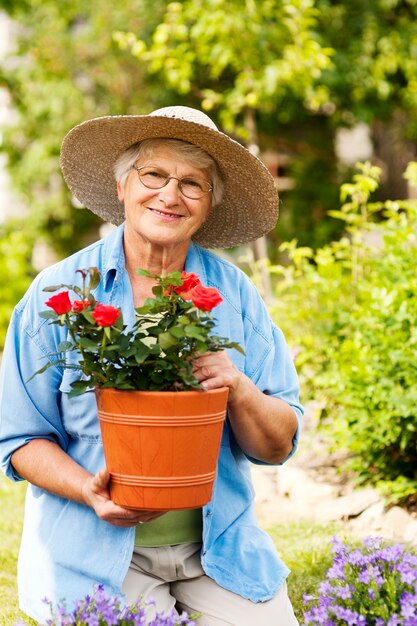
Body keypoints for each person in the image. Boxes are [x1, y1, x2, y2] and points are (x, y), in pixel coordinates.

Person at [0, 106, 303, 625]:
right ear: (122, 188)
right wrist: (88, 491)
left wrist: (239, 388)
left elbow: (278, 445)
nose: (170, 194)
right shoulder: (59, 292)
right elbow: (19, 438)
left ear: (208, 207)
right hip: (93, 555)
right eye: (154, 175)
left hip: (217, 552)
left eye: (193, 184)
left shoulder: (235, 295)